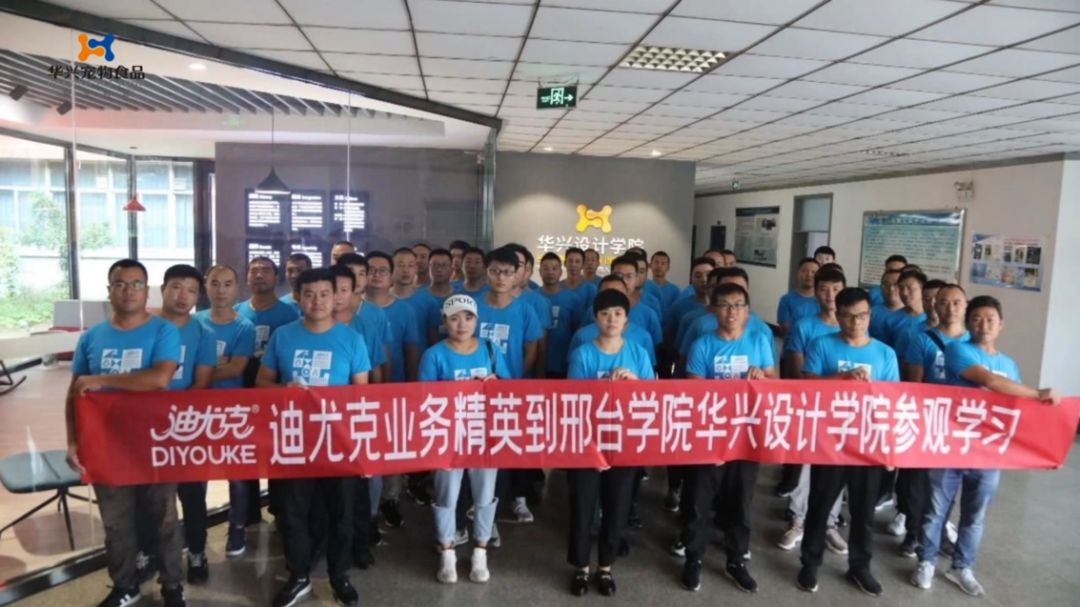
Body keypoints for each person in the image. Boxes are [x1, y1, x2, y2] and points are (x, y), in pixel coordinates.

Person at [911, 295, 1059, 598]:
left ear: (1001, 325)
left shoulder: (1010, 365)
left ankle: (962, 567)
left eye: (991, 319)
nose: (984, 324)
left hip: (988, 450)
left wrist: (1041, 447)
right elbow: (990, 381)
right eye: (977, 319)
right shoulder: (958, 350)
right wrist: (1038, 392)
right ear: (968, 324)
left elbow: (1017, 408)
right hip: (951, 445)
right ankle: (926, 561)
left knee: (975, 514)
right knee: (936, 509)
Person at [66, 259, 186, 607]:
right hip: (106, 445)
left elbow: (159, 378)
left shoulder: (164, 331)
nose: (128, 290)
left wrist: (102, 380)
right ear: (109, 291)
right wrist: (73, 439)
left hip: (156, 443)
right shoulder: (92, 337)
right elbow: (75, 391)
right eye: (120, 284)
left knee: (164, 519)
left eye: (136, 284)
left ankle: (172, 587)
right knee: (116, 523)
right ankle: (125, 586)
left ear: (146, 292)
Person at [257, 268, 370, 607]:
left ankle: (339, 575)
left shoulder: (352, 339)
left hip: (340, 443)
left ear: (337, 296)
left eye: (324, 294)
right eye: (309, 294)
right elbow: (261, 383)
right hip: (294, 441)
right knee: (293, 513)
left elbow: (362, 396)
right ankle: (299, 576)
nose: (317, 301)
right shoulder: (283, 336)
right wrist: (284, 390)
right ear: (298, 297)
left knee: (342, 515)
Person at [797, 288, 899, 597]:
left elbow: (891, 403)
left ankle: (860, 567)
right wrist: (842, 379)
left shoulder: (885, 353)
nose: (856, 322)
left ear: (870, 316)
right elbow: (807, 386)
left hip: (867, 444)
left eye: (862, 315)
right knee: (819, 506)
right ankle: (810, 563)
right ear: (838, 315)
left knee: (863, 512)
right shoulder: (822, 345)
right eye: (849, 316)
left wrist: (889, 448)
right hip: (830, 442)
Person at [680, 282, 775, 594]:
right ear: (713, 309)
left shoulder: (759, 341)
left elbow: (773, 383)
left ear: (747, 311)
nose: (731, 311)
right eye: (724, 305)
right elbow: (694, 390)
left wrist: (762, 378)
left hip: (746, 438)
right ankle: (693, 558)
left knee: (741, 503)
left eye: (738, 305)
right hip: (709, 436)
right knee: (698, 501)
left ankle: (736, 560)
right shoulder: (702, 345)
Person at [566, 289, 655, 597]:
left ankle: (605, 566)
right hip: (587, 442)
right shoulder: (583, 354)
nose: (611, 319)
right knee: (583, 506)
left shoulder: (638, 354)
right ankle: (580, 566)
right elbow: (573, 400)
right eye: (605, 314)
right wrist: (603, 387)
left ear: (626, 320)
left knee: (617, 507)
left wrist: (633, 384)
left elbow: (652, 399)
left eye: (618, 314)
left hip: (624, 443)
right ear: (595, 319)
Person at [420, 294, 509, 584]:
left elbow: (510, 389)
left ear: (477, 320)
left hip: (484, 434)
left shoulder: (490, 349)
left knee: (484, 494)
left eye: (468, 317)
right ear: (444, 321)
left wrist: (496, 384)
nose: (462, 324)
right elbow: (423, 399)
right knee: (447, 494)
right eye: (455, 318)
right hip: (447, 435)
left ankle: (480, 551)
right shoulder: (433, 355)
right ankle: (447, 552)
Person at [894, 283, 969, 559]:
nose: (950, 308)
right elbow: (914, 384)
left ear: (965, 305)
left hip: (958, 423)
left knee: (947, 483)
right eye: (944, 302)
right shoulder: (922, 340)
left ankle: (938, 533)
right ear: (935, 306)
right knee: (918, 481)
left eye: (956, 302)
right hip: (926, 420)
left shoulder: (972, 341)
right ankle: (914, 532)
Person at [776, 268, 848, 552]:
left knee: (836, 467)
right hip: (811, 407)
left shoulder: (855, 327)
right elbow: (798, 372)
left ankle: (829, 524)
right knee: (805, 465)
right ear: (815, 292)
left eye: (836, 289)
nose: (830, 295)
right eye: (824, 289)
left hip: (843, 411)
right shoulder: (805, 326)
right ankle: (798, 520)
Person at [158, 265, 218, 586]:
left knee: (192, 495)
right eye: (176, 287)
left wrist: (176, 414)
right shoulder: (145, 328)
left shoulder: (203, 333)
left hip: (187, 426)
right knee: (152, 497)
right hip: (148, 425)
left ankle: (197, 551)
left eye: (192, 290)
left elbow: (202, 382)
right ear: (163, 289)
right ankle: (150, 553)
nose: (183, 296)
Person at [194, 265, 256, 558]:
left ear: (236, 288)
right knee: (197, 474)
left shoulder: (244, 327)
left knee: (237, 474)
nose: (221, 290)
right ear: (206, 286)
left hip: (233, 410)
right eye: (215, 283)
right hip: (197, 409)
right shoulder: (194, 322)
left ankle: (237, 528)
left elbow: (235, 368)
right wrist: (215, 365)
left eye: (227, 284)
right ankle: (195, 530)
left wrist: (202, 372)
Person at [478, 247, 543, 524]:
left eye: (507, 272)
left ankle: (519, 498)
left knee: (515, 445)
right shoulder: (473, 307)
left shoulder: (525, 310)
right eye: (495, 271)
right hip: (477, 393)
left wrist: (514, 379)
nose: (501, 278)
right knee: (483, 448)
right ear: (487, 273)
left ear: (517, 274)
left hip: (513, 391)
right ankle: (481, 504)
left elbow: (531, 349)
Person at [365, 251, 422, 527]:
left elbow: (411, 350)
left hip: (395, 389)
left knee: (393, 446)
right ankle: (367, 506)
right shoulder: (354, 309)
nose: (377, 275)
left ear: (391, 276)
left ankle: (390, 499)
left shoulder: (404, 310)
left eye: (382, 270)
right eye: (371, 270)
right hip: (361, 392)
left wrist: (412, 388)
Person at [337, 253, 391, 384]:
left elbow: (382, 356)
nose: (356, 278)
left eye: (361, 273)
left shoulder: (376, 315)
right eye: (350, 272)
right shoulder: (323, 313)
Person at [236, 257, 299, 360]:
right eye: (254, 271)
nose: (259, 275)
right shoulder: (235, 312)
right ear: (247, 279)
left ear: (276, 278)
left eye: (265, 271)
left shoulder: (290, 315)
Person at [538, 252, 582, 379]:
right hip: (537, 363)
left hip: (563, 362)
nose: (550, 272)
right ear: (540, 271)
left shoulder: (573, 298)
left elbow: (576, 330)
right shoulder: (533, 298)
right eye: (546, 268)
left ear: (561, 272)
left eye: (554, 268)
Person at [392, 247, 440, 346]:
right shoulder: (381, 300)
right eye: (400, 265)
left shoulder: (429, 302)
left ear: (416, 269)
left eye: (410, 265)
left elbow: (434, 340)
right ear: (391, 268)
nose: (406, 270)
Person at [882, 267, 928, 348]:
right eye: (901, 288)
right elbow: (886, 349)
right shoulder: (892, 319)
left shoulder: (934, 317)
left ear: (923, 289)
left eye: (910, 288)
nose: (904, 293)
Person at [777, 258, 821, 337]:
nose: (809, 275)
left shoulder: (823, 300)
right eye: (804, 271)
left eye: (813, 272)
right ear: (798, 273)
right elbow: (784, 329)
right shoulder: (786, 300)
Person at [423, 248, 459, 343]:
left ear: (452, 268)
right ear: (428, 267)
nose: (439, 269)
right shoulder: (418, 297)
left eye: (444, 265)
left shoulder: (459, 298)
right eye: (435, 265)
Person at [868, 268, 903, 343]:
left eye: (896, 284)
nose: (891, 288)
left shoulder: (912, 315)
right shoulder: (871, 312)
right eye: (886, 284)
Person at [562, 247, 598, 315]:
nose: (573, 265)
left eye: (577, 261)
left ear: (583, 265)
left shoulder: (591, 289)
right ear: (565, 263)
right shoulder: (557, 287)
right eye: (570, 261)